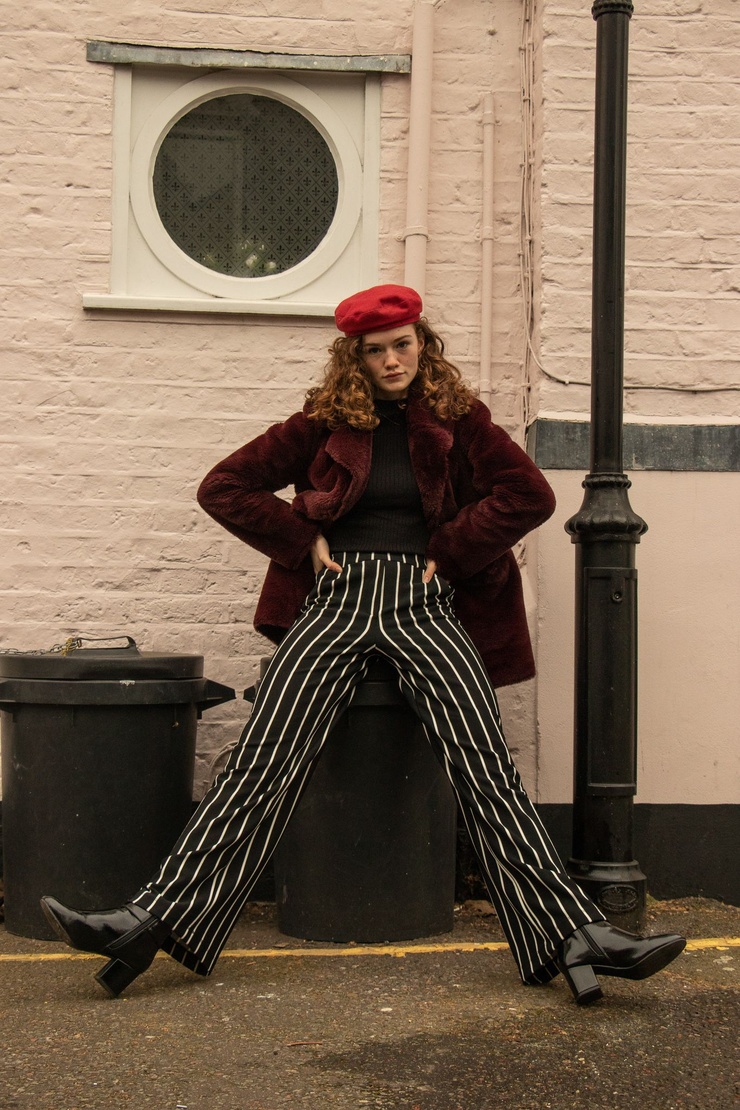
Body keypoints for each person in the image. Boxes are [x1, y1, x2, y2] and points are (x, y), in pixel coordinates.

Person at [41, 284, 685, 1006]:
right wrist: (301, 539)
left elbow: (529, 494)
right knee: (261, 764)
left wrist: (452, 548)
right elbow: (224, 486)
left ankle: (575, 934)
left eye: (402, 344)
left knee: (485, 769)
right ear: (356, 358)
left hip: (424, 603)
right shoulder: (321, 423)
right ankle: (147, 921)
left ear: (423, 344)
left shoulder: (460, 419)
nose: (392, 360)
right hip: (337, 600)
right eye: (375, 351)